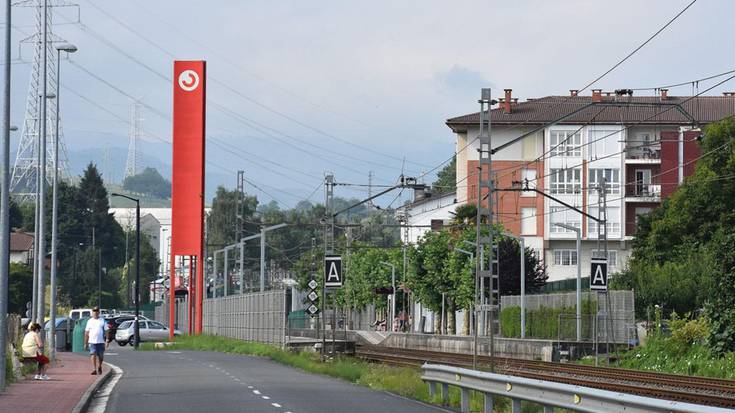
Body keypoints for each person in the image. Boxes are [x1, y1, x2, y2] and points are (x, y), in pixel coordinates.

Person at [84, 307, 107, 375]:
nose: (95, 312)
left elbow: (107, 330)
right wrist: (85, 343)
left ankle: (99, 366)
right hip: (92, 341)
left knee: (101, 356)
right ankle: (94, 369)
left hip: (101, 341)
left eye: (97, 311)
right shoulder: (89, 321)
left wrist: (107, 340)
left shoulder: (102, 320)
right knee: (93, 354)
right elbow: (86, 332)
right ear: (92, 312)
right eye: (94, 311)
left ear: (99, 312)